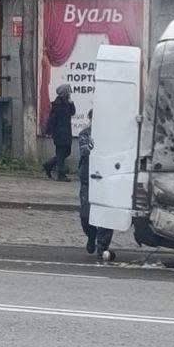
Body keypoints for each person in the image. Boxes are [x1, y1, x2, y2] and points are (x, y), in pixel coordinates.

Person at [78, 109, 114, 261]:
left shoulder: (111, 135)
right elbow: (84, 151)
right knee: (86, 215)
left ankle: (102, 247)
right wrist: (95, 143)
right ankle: (91, 235)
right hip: (89, 179)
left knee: (107, 216)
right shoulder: (85, 134)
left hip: (108, 179)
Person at [43, 84, 76, 181]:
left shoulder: (67, 102)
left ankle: (48, 165)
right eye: (68, 92)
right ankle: (61, 175)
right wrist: (49, 131)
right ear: (65, 93)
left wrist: (71, 103)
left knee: (66, 152)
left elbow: (72, 112)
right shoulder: (58, 104)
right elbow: (52, 119)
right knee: (61, 153)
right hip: (60, 133)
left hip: (66, 132)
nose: (70, 94)